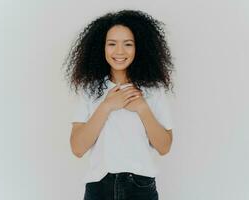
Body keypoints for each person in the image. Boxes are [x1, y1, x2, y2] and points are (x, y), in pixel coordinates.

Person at [64, 9, 175, 200]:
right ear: (101, 47)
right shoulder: (89, 89)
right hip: (99, 187)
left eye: (128, 44)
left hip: (141, 187)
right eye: (112, 44)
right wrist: (107, 106)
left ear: (139, 47)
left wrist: (142, 108)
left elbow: (164, 147)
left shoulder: (153, 90)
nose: (119, 51)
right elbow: (77, 148)